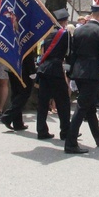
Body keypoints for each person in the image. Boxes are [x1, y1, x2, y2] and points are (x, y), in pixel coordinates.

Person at [64, 5, 99, 154]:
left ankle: (98, 136)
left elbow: (72, 54)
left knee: (90, 107)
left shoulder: (78, 30)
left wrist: (71, 74)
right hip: (92, 73)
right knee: (82, 107)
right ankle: (70, 143)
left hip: (79, 71)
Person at [35, 8, 71, 139]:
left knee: (43, 102)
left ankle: (41, 130)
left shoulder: (47, 33)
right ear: (65, 21)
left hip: (44, 68)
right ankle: (66, 131)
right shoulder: (64, 33)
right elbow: (68, 52)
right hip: (56, 69)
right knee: (63, 101)